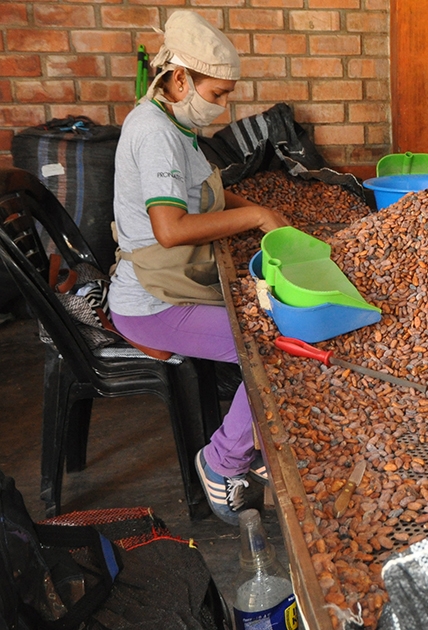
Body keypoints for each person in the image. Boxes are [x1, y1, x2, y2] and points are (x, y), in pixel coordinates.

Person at [108, 11, 289, 524]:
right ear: (181, 79)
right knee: (271, 350)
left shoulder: (173, 124)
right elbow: (169, 228)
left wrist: (252, 208)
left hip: (174, 279)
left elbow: (200, 192)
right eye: (218, 94)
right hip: (152, 301)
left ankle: (253, 440)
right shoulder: (155, 134)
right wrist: (253, 215)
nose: (223, 106)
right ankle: (222, 462)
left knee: (270, 326)